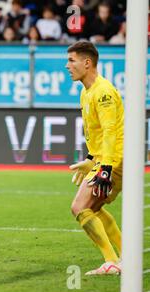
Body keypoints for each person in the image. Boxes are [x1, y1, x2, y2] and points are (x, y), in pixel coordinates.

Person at [66, 41, 122, 275]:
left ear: (87, 63)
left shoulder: (103, 92)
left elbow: (110, 131)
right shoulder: (86, 91)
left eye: (72, 60)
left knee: (80, 207)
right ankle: (124, 259)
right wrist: (91, 159)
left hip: (115, 159)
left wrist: (106, 168)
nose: (67, 66)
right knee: (94, 207)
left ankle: (111, 262)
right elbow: (96, 132)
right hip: (104, 158)